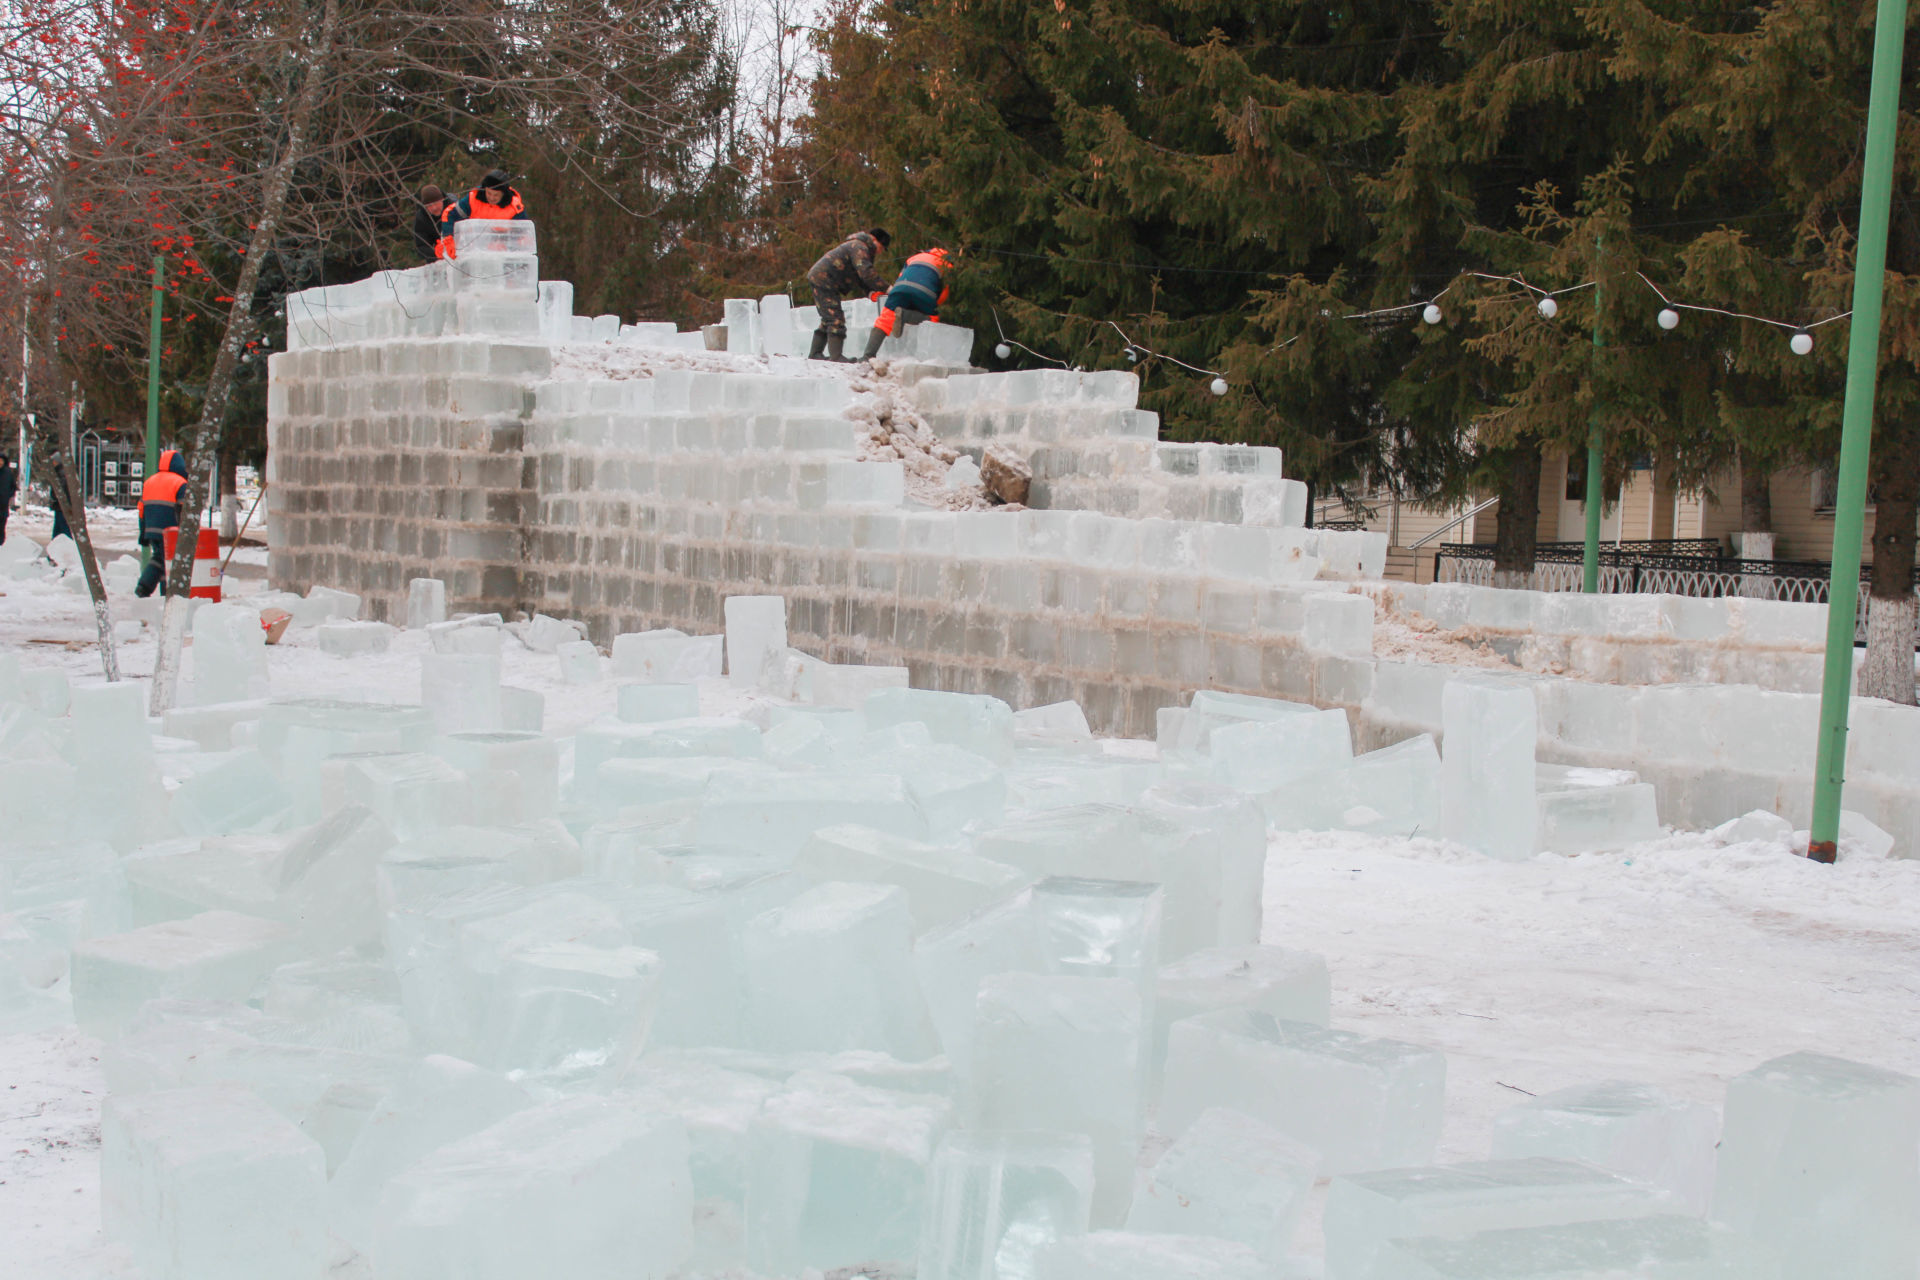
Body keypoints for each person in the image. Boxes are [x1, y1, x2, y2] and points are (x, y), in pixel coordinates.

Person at [805, 228, 891, 362]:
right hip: (824, 278)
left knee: (828, 317)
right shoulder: (859, 246)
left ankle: (815, 354)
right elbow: (866, 273)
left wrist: (870, 292)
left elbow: (858, 276)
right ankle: (836, 357)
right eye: (881, 247)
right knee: (835, 318)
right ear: (874, 240)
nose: (880, 251)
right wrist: (887, 288)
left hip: (823, 278)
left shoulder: (858, 246)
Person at [861, 246, 951, 361]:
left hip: (900, 288)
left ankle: (867, 356)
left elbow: (901, 276)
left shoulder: (915, 257)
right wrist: (936, 304)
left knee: (884, 320)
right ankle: (905, 315)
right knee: (932, 319)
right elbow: (944, 293)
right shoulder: (948, 265)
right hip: (925, 292)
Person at [435, 169, 530, 260]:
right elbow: (450, 214)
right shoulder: (473, 199)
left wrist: (505, 244)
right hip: (474, 252)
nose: (491, 198)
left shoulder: (515, 208)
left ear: (504, 194)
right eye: (489, 193)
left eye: (496, 195)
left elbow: (523, 235)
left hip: (502, 257)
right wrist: (448, 238)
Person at [135, 448, 189, 597]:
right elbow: (183, 509)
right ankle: (144, 586)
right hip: (170, 529)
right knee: (163, 560)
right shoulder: (180, 483)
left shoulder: (149, 481)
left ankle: (165, 593)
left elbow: (141, 509)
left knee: (165, 560)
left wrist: (143, 532)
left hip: (151, 529)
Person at [412, 184, 448, 262]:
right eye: (429, 205)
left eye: (436, 203)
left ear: (442, 199)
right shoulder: (421, 218)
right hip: (437, 259)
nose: (434, 208)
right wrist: (435, 252)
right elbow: (420, 246)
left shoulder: (453, 208)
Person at [0, 451, 15, 546]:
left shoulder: (8, 472)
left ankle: (1, 545)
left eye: (1, 461)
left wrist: (8, 495)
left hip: (3, 506)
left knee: (1, 528)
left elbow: (13, 487)